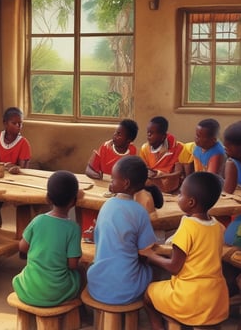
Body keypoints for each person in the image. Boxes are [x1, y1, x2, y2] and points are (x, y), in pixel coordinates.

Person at [141, 172, 229, 329]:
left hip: (190, 299)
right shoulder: (217, 227)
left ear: (191, 202)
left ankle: (157, 327)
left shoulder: (187, 226)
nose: (177, 197)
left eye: (180, 194)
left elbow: (174, 268)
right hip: (216, 299)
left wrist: (151, 256)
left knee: (148, 293)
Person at [86, 156, 156, 305]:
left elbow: (98, 240)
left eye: (113, 179)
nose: (110, 182)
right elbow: (145, 252)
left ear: (125, 183)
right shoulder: (140, 212)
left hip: (97, 285)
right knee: (149, 270)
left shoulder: (106, 205)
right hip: (127, 290)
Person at [12, 170, 82, 306]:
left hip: (29, 290)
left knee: (20, 277)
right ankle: (80, 310)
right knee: (79, 276)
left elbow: (22, 247)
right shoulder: (73, 228)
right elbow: (73, 265)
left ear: (47, 198)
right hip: (58, 293)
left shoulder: (37, 220)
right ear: (74, 202)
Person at [0, 107, 31, 227]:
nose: (18, 126)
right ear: (5, 123)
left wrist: (11, 168)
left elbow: (21, 170)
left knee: (24, 201)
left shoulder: (23, 143)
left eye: (20, 123)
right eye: (14, 123)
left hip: (13, 182)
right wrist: (7, 165)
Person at [223, 121, 241, 246]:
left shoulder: (232, 163)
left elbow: (226, 195)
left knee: (228, 241)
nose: (225, 148)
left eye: (228, 146)